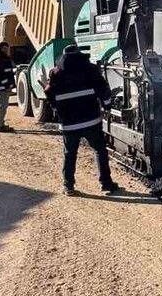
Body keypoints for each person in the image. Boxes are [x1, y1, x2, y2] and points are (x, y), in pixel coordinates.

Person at [45, 44, 121, 196]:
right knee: (99, 149)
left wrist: (56, 108)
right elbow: (103, 89)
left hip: (68, 123)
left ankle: (68, 186)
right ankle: (106, 183)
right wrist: (107, 106)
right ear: (79, 54)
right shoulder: (90, 69)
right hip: (90, 120)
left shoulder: (55, 72)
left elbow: (49, 93)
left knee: (69, 153)